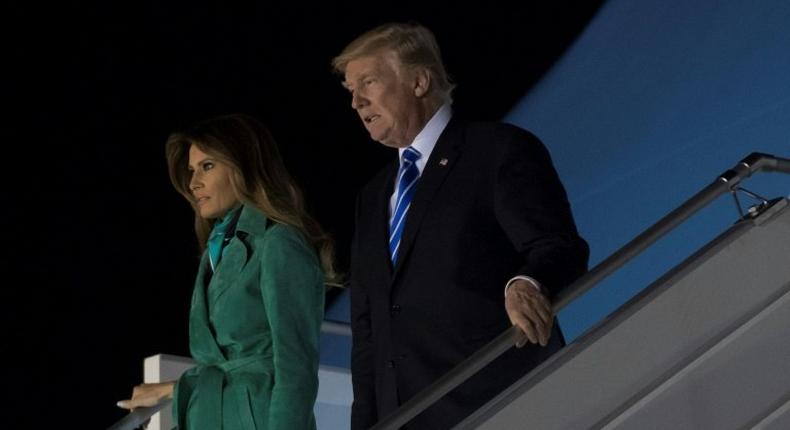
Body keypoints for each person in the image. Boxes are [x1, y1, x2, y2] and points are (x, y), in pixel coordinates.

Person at [332, 22, 589, 429]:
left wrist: (526, 283)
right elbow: (368, 328)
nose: (357, 102)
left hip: (499, 401)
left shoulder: (497, 150)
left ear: (419, 81)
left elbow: (558, 246)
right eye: (351, 90)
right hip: (408, 416)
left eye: (369, 82)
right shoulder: (372, 196)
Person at [117, 113, 334, 430]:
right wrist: (175, 389)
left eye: (207, 166)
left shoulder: (278, 243)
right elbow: (226, 368)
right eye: (192, 171)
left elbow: (295, 367)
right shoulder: (214, 253)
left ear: (243, 165)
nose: (193, 184)